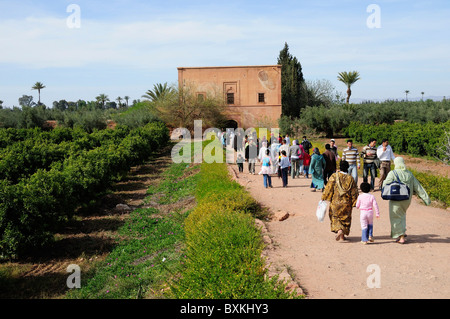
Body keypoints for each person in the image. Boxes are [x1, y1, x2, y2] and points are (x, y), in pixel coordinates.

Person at [382, 157, 431, 244]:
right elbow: (418, 187)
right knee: (402, 215)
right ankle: (403, 233)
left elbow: (385, 184)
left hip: (396, 199)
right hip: (407, 199)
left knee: (395, 217)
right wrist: (426, 199)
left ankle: (400, 236)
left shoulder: (393, 173)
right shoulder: (409, 174)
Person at [321, 160, 359, 241]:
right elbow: (354, 192)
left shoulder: (334, 176)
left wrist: (324, 197)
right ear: (347, 168)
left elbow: (329, 188)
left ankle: (339, 230)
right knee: (345, 218)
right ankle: (342, 235)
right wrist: (355, 202)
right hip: (347, 203)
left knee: (335, 217)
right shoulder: (350, 178)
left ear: (339, 168)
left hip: (335, 202)